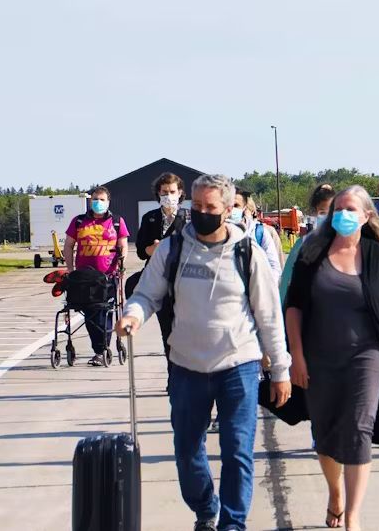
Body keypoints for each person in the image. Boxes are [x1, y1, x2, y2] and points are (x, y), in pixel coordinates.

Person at [116, 173, 291, 531]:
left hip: (238, 366)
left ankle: (232, 524)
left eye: (209, 207)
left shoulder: (248, 253)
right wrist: (133, 315)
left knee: (237, 451)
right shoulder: (173, 248)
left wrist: (281, 370)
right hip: (186, 366)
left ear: (227, 210)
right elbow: (147, 294)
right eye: (196, 206)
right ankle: (205, 507)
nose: (201, 213)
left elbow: (269, 316)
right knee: (186, 451)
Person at [285, 185, 379, 531]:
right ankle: (335, 493)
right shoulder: (312, 253)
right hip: (319, 356)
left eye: (352, 209)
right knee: (325, 433)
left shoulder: (378, 255)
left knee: (359, 429)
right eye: (339, 209)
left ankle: (352, 515)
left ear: (367, 216)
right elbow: (294, 307)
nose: (344, 215)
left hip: (367, 355)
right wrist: (297, 357)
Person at [65, 186, 129, 366]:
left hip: (107, 277)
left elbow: (123, 245)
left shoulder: (116, 221)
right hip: (84, 278)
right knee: (90, 313)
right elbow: (69, 245)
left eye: (101, 199)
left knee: (103, 312)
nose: (97, 203)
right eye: (95, 199)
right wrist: (70, 270)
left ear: (108, 202)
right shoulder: (79, 221)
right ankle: (100, 349)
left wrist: (122, 264)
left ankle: (101, 351)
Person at [134, 173, 189, 360]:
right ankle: (173, 376)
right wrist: (155, 249)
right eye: (164, 192)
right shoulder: (150, 218)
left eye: (172, 191)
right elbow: (141, 251)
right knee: (168, 333)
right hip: (160, 282)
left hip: (185, 282)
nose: (168, 195)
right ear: (158, 193)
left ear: (180, 192)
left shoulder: (189, 218)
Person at [279, 183, 336, 303]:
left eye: (330, 212)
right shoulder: (303, 243)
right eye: (322, 212)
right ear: (315, 213)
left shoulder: (346, 243)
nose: (326, 216)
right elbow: (286, 281)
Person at [231, 189, 283, 279]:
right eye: (230, 206)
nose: (232, 210)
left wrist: (264, 288)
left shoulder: (262, 232)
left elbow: (275, 267)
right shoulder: (219, 231)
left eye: (236, 206)